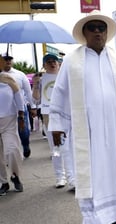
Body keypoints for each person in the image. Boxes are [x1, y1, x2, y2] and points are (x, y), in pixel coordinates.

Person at [48, 10, 116, 224]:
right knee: (89, 174)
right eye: (93, 28)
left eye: (102, 28)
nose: (98, 31)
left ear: (107, 33)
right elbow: (60, 92)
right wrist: (57, 124)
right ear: (85, 33)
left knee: (114, 171)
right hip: (86, 131)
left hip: (115, 128)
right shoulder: (73, 60)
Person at [32, 54, 75, 190]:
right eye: (48, 62)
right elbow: (36, 100)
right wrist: (37, 84)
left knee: (68, 147)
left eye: (54, 61)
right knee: (56, 148)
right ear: (44, 65)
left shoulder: (65, 76)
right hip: (49, 116)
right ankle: (59, 177)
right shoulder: (41, 79)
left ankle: (72, 178)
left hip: (67, 115)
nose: (52, 64)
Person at [1, 53, 37, 158]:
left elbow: (28, 92)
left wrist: (33, 107)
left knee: (23, 131)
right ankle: (9, 155)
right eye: (5, 59)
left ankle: (25, 145)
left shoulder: (20, 75)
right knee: (7, 135)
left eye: (10, 59)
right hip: (5, 111)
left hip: (20, 109)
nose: (8, 61)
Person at [0, 68, 25, 195]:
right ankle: (3, 182)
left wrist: (21, 114)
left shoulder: (7, 78)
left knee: (11, 150)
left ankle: (15, 176)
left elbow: (18, 94)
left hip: (8, 120)